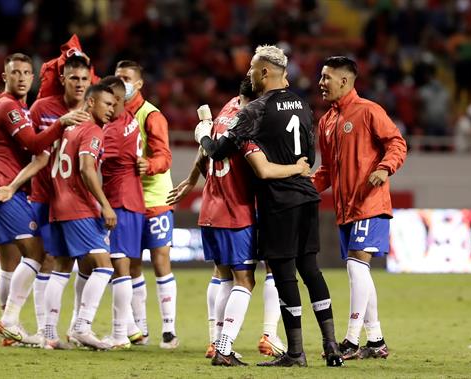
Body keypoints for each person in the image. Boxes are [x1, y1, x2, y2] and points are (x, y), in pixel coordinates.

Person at [195, 45, 344, 367]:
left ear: (264, 72)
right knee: (311, 270)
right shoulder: (303, 105)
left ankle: (295, 352)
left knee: (285, 274)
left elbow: (219, 151)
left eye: (251, 69)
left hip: (279, 201)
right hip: (306, 195)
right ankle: (331, 346)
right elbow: (310, 157)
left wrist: (203, 135)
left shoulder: (255, 110)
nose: (248, 74)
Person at [167, 78, 289, 361]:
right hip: (239, 210)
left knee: (222, 276)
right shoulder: (253, 119)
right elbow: (259, 167)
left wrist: (191, 179)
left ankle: (215, 341)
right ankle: (241, 341)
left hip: (211, 207)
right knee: (248, 279)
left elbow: (207, 148)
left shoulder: (226, 109)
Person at [0, 53, 88, 345]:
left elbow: (35, 152)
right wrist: (61, 123)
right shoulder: (9, 108)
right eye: (16, 73)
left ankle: (10, 328)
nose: (22, 78)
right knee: (38, 254)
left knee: (10, 264)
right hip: (4, 191)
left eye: (27, 72)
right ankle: (9, 321)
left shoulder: (15, 107)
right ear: (5, 77)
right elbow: (33, 143)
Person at [313, 56, 407, 359]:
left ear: (344, 80)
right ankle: (376, 341)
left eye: (326, 77)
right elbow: (326, 171)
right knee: (359, 270)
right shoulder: (326, 121)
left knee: (356, 265)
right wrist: (302, 191)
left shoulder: (369, 111)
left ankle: (351, 341)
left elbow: (397, 143)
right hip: (345, 207)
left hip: (370, 201)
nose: (321, 83)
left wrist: (385, 168)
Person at [45, 84, 117, 349]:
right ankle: (82, 327)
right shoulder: (92, 130)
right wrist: (105, 205)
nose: (111, 109)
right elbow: (87, 170)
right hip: (78, 206)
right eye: (107, 104)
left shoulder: (69, 128)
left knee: (62, 268)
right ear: (90, 103)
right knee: (104, 266)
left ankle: (49, 334)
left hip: (58, 205)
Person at [115, 60, 178, 348]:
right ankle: (140, 329)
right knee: (132, 265)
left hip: (154, 198)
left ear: (139, 84)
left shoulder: (151, 115)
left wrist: (147, 165)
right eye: (118, 77)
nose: (121, 82)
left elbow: (165, 157)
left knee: (160, 259)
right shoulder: (112, 113)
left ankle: (169, 329)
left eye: (126, 78)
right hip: (127, 199)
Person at [97, 75, 146, 349]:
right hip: (134, 201)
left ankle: (119, 335)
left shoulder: (112, 132)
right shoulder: (129, 120)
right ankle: (131, 328)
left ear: (116, 100)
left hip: (119, 202)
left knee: (118, 268)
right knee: (121, 267)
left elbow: (92, 161)